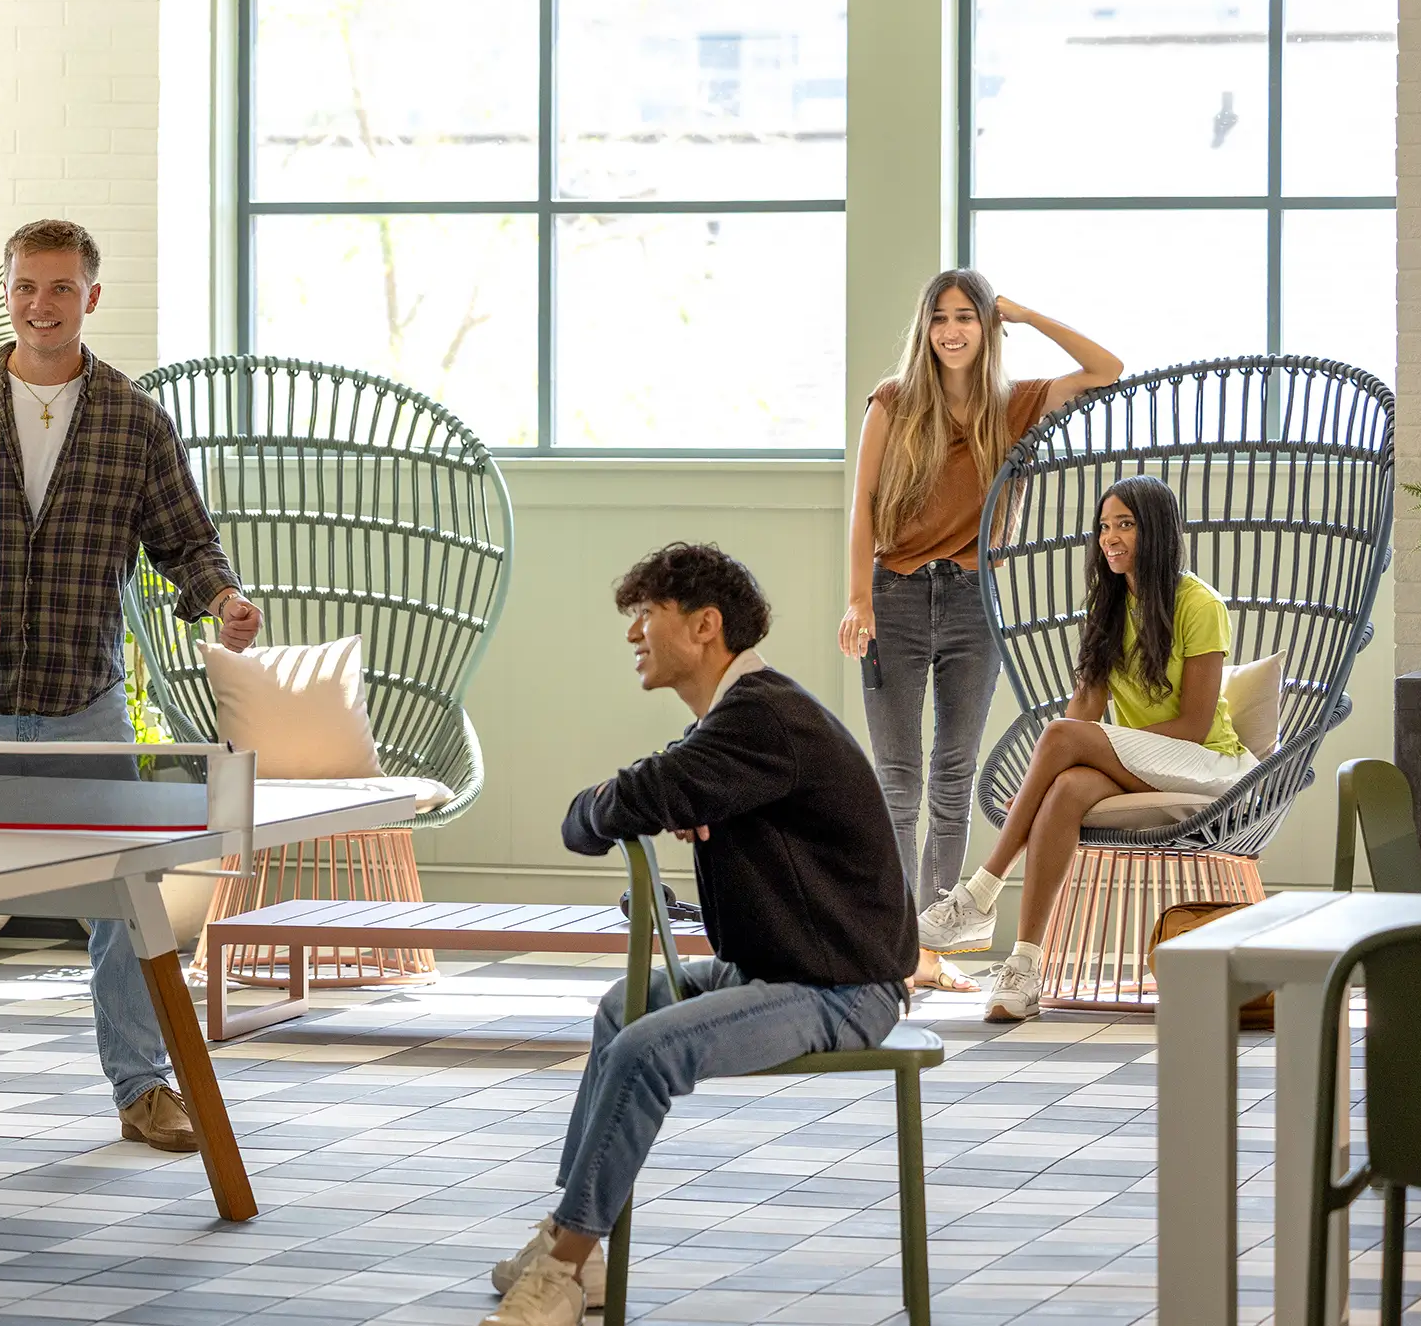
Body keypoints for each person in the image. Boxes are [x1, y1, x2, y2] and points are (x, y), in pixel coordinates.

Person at [0, 217, 263, 1155]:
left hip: (85, 701)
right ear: (10, 293)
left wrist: (225, 601)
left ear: (91, 298)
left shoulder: (134, 420)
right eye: (28, 287)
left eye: (62, 289)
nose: (43, 305)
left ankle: (143, 1088)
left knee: (125, 901)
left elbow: (186, 543)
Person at [480, 544, 915, 1326]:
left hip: (842, 988)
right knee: (625, 1009)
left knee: (649, 1046)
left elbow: (619, 803)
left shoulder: (759, 718)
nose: (632, 634)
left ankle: (561, 1269)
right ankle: (580, 1246)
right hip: (779, 969)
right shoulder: (737, 721)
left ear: (705, 626)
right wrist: (644, 800)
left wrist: (638, 798)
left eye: (647, 614)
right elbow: (617, 809)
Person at [840, 271, 1120, 995]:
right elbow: (864, 503)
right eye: (940, 318)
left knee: (954, 778)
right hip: (895, 597)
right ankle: (895, 947)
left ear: (985, 327)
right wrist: (856, 601)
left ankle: (933, 946)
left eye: (967, 316)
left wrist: (1027, 313)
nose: (952, 331)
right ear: (925, 329)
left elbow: (1106, 369)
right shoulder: (893, 400)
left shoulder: (1017, 404)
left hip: (974, 602)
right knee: (898, 780)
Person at [915, 476, 1259, 1022]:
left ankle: (981, 892)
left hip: (1206, 764)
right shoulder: (1109, 605)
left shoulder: (1199, 604)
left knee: (1057, 738)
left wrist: (1071, 751)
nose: (1110, 537)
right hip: (1141, 762)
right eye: (1104, 526)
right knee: (1066, 787)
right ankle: (1025, 970)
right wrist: (1040, 786)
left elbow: (1194, 725)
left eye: (1125, 524)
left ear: (1158, 530)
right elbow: (1085, 714)